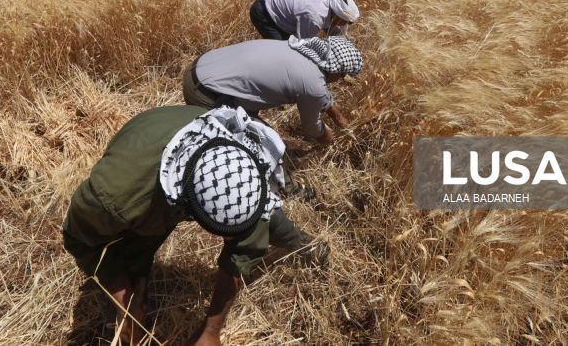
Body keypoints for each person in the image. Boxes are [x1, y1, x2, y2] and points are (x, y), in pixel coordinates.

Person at [62, 105, 326, 345]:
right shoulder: (116, 198)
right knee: (132, 255)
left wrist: (211, 330)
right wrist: (123, 298)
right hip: (149, 136)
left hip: (194, 133)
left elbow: (244, 247)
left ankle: (305, 244)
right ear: (185, 205)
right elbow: (77, 239)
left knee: (266, 220)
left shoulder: (240, 168)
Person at [182, 36, 363, 145]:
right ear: (335, 70)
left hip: (201, 67)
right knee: (268, 145)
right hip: (205, 93)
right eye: (342, 75)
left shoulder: (298, 48)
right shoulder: (312, 83)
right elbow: (312, 129)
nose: (340, 81)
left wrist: (337, 116)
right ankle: (288, 188)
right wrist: (328, 138)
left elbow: (319, 94)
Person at [249, 0, 360, 40]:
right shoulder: (315, 19)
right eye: (347, 22)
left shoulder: (325, 5)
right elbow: (300, 44)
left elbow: (331, 31)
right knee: (281, 50)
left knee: (286, 42)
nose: (345, 25)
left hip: (270, 1)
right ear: (338, 17)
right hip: (264, 11)